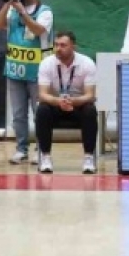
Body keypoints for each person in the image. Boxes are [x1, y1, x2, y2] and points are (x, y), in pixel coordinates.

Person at [0, 0, 53, 165]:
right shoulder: (12, 9)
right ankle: (21, 149)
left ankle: (41, 150)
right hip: (15, 69)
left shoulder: (45, 11)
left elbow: (38, 30)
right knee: (18, 115)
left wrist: (23, 13)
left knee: (39, 113)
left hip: (38, 72)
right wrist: (7, 4)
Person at [34, 31, 98, 174]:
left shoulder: (87, 63)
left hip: (77, 105)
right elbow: (42, 94)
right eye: (56, 45)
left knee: (90, 110)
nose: (58, 48)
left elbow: (90, 95)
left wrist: (74, 101)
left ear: (73, 46)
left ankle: (88, 158)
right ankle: (45, 157)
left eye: (63, 45)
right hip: (55, 105)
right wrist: (58, 101)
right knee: (42, 110)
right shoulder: (46, 63)